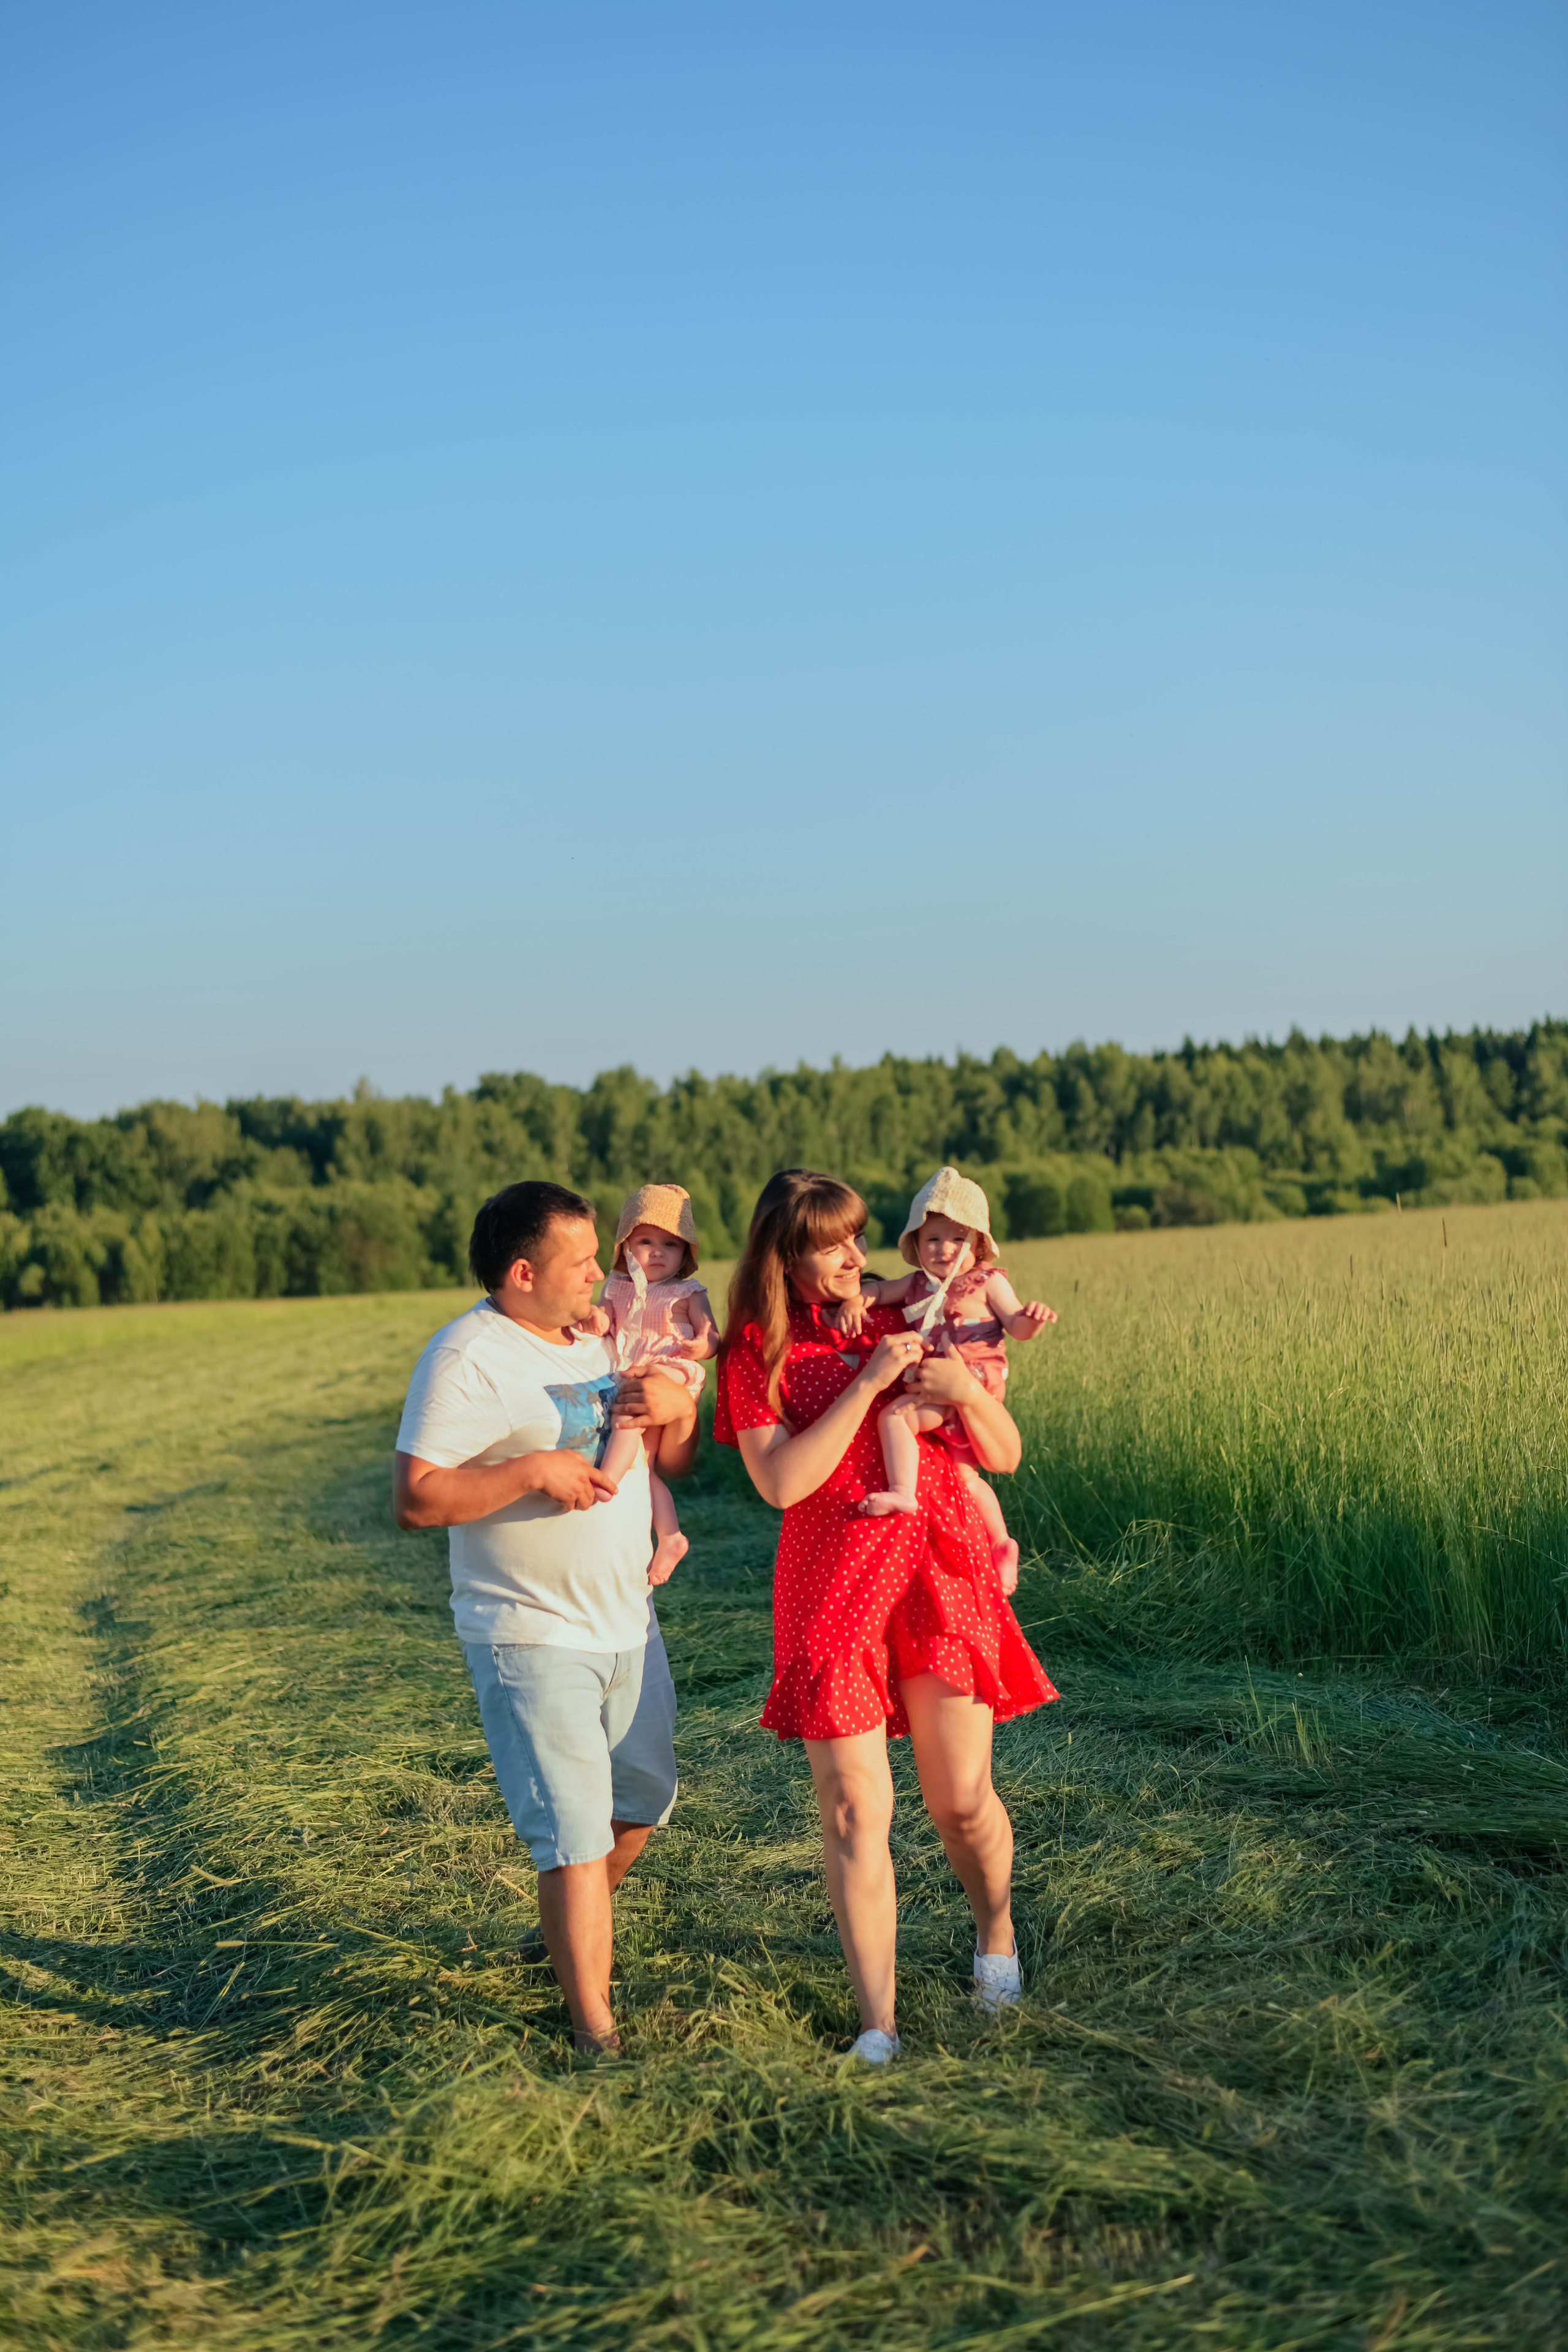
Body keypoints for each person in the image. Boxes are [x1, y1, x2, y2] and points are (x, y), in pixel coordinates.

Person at [715, 1168, 1058, 2064]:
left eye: (857, 1239)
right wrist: (867, 1384)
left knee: (961, 1801)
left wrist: (972, 1390)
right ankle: (879, 2026)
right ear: (785, 1256)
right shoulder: (754, 1352)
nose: (854, 1258)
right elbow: (782, 1481)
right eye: (832, 1245)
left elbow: (1006, 1454)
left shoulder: (906, 1310)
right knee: (852, 1812)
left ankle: (996, 1936)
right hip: (831, 1577)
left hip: (938, 1563)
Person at [393, 1180, 698, 2056]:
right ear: (523, 1273)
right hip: (529, 1632)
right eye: (579, 1262)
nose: (601, 1273)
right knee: (570, 1836)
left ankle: (563, 1937)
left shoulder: (594, 1336)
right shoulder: (468, 1358)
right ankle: (594, 2037)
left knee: (641, 1802)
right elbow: (415, 1498)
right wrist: (529, 1471)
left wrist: (675, 1409)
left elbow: (668, 1449)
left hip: (626, 1621)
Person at [850, 1166, 1055, 1591]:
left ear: (978, 1244)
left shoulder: (986, 1282)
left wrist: (1032, 1321)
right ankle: (1001, 1542)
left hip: (972, 1383)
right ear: (917, 1246)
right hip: (943, 1392)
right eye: (934, 1239)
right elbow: (877, 1291)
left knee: (895, 1416)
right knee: (967, 1480)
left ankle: (902, 1489)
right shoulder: (915, 1285)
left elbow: (1015, 1325)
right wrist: (856, 1300)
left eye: (959, 1239)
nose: (946, 1250)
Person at [576, 1184, 720, 1589]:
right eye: (645, 1241)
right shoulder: (617, 1287)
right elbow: (606, 1320)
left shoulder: (688, 1291)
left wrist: (702, 1343)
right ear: (624, 1246)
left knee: (630, 1412)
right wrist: (597, 1320)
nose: (657, 1252)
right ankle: (671, 1536)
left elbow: (712, 1336)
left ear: (686, 1253)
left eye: (670, 1244)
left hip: (671, 1369)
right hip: (631, 1369)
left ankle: (607, 1480)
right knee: (646, 1464)